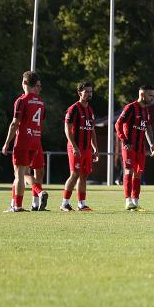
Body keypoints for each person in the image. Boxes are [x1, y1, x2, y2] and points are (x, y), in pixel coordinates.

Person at [2, 71, 46, 212]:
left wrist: (7, 142)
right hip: (36, 140)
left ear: (25, 83)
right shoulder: (41, 102)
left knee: (19, 174)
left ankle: (18, 206)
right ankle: (17, 202)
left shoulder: (22, 100)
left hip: (23, 140)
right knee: (25, 173)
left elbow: (15, 123)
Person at [116, 84, 154, 210]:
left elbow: (148, 128)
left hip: (140, 148)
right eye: (150, 95)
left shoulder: (146, 110)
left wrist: (151, 144)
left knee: (138, 174)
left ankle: (135, 202)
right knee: (129, 171)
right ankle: (128, 201)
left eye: (153, 95)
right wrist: (124, 140)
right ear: (142, 95)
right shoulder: (131, 108)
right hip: (129, 146)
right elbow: (118, 124)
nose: (152, 98)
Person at [61, 81, 99, 211]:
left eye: (91, 91)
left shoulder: (90, 110)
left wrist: (95, 148)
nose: (89, 94)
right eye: (86, 91)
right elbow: (67, 129)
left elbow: (92, 130)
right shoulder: (74, 109)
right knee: (75, 174)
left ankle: (81, 204)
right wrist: (74, 146)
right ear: (79, 93)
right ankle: (64, 203)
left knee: (84, 175)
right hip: (75, 147)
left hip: (86, 148)